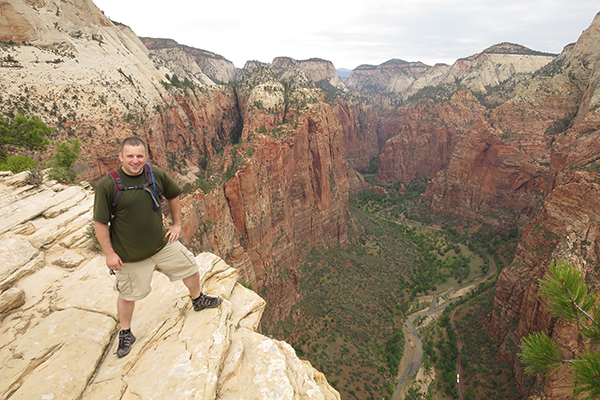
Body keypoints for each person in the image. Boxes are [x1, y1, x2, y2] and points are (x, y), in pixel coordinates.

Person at [93, 137, 222, 358]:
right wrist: (109, 253)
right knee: (127, 295)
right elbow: (100, 223)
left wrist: (177, 224)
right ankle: (126, 332)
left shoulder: (155, 174)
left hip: (161, 245)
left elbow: (173, 195)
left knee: (190, 265)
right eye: (130, 156)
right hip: (130, 256)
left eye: (139, 156)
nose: (135, 160)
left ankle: (198, 299)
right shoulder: (108, 186)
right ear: (121, 157)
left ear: (145, 156)